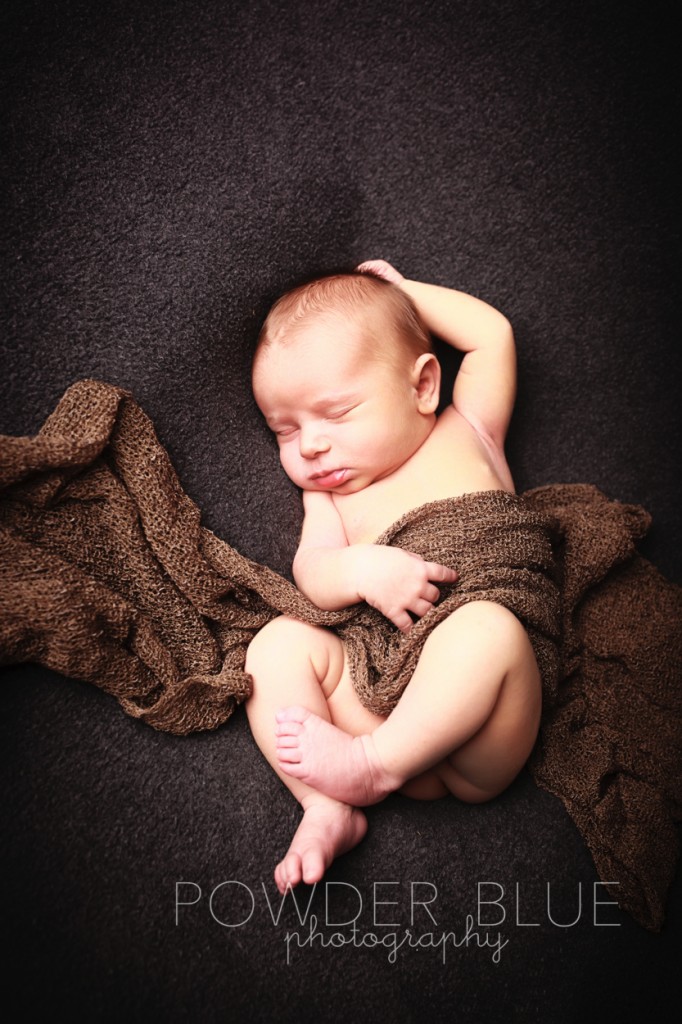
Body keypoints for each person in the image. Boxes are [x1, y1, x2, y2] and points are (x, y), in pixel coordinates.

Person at [245, 259, 542, 894]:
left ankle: (371, 768)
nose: (311, 446)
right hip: (381, 696)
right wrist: (360, 568)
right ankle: (326, 806)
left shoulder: (472, 430)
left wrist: (402, 296)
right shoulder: (328, 501)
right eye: (285, 431)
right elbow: (313, 575)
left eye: (337, 412)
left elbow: (492, 336)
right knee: (272, 648)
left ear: (424, 387)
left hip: (482, 732)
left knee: (487, 628)